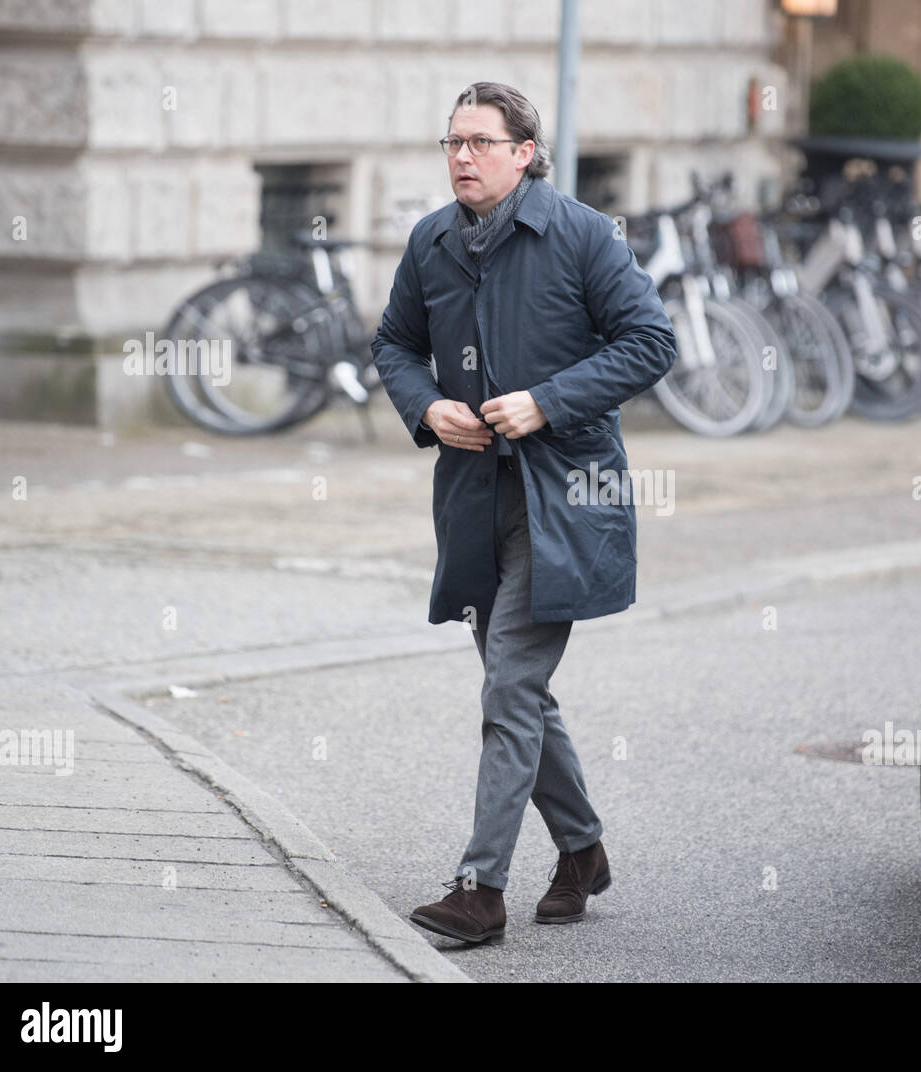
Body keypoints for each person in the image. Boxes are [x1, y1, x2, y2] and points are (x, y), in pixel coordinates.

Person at [371, 81, 677, 944]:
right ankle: (582, 850)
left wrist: (547, 401)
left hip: (568, 500)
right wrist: (428, 406)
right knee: (523, 693)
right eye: (451, 143)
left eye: (478, 143)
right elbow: (393, 342)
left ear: (523, 152)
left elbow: (652, 341)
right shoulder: (431, 241)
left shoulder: (581, 235)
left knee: (509, 684)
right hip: (473, 499)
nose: (461, 157)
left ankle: (479, 889)